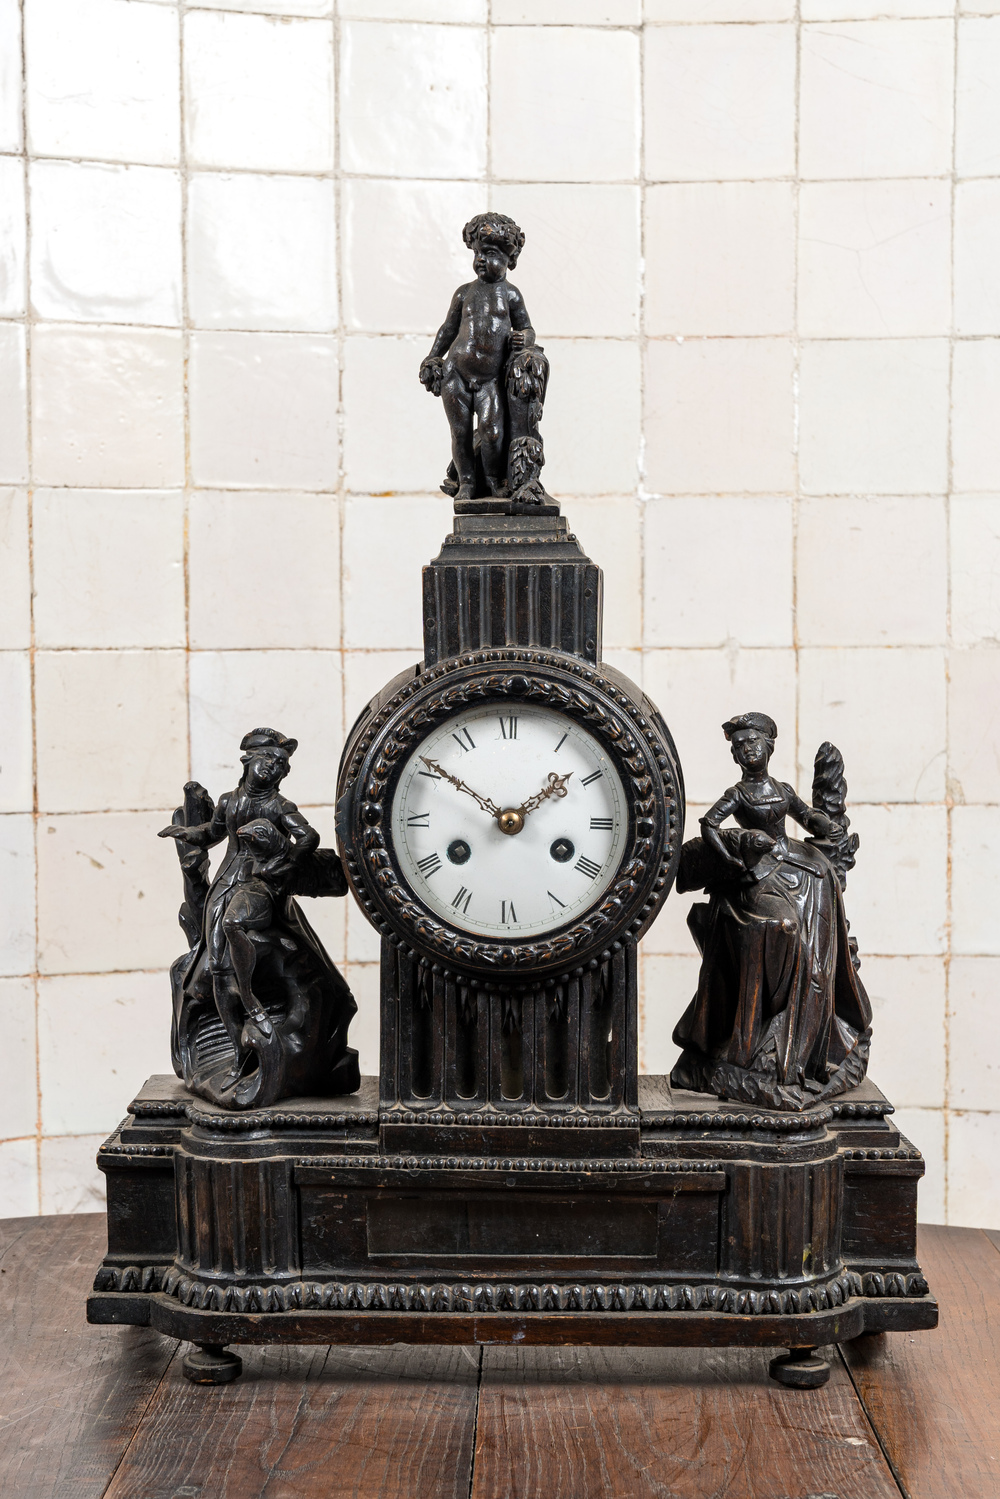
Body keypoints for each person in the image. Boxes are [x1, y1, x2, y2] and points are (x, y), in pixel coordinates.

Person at [670, 712, 872, 1111]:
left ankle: (814, 1017)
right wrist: (731, 857)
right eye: (740, 745)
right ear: (735, 755)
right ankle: (763, 1030)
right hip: (759, 870)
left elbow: (802, 814)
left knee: (825, 880)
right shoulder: (739, 794)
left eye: (754, 742)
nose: (748, 749)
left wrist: (819, 820)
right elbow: (709, 824)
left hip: (793, 860)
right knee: (784, 926)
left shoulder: (780, 788)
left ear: (769, 747)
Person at [159, 728, 357, 1102]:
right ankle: (239, 1052)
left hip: (259, 885)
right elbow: (213, 834)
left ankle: (253, 1003)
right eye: (269, 761)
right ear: (249, 762)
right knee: (216, 964)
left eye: (281, 765)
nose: (275, 769)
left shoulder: (279, 807)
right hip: (225, 882)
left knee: (236, 925)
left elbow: (310, 838)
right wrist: (185, 832)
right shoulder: (229, 802)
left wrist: (284, 862)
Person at [420, 212, 542, 505]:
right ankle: (466, 483)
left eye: (489, 253)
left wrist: (525, 338)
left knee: (491, 433)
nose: (481, 260)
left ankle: (494, 480)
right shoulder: (464, 293)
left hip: (489, 379)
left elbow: (527, 327)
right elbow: (448, 328)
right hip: (456, 374)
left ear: (508, 259)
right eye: (477, 253)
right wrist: (433, 356)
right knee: (460, 432)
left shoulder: (511, 295)